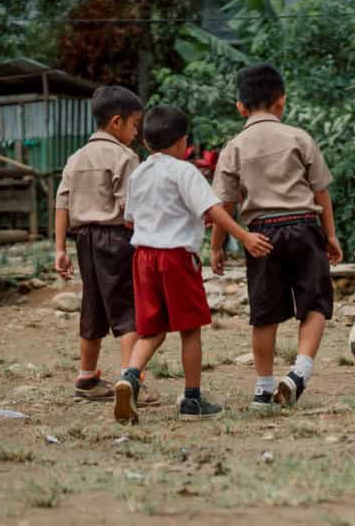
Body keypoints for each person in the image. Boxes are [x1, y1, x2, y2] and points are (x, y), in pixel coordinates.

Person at [113, 105, 273, 424]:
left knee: (151, 329)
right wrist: (244, 236)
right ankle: (192, 400)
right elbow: (213, 209)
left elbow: (130, 220)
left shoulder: (140, 173)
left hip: (143, 258)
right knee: (189, 331)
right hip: (175, 259)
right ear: (183, 142)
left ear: (146, 143)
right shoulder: (184, 171)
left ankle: (130, 377)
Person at [211, 63, 342, 410]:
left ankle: (263, 389)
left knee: (264, 313)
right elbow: (321, 192)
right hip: (303, 226)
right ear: (281, 102)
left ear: (240, 106)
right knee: (314, 305)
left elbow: (223, 205)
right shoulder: (299, 138)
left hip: (260, 236)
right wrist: (330, 236)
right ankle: (299, 372)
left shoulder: (234, 147)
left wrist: (216, 247)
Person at [54, 86, 157, 404]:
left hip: (84, 240)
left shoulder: (76, 157)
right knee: (128, 310)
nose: (137, 131)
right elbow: (130, 212)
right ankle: (130, 382)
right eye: (134, 124)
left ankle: (86, 378)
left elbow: (62, 203)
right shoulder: (125, 157)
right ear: (116, 122)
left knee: (94, 307)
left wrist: (60, 248)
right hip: (116, 240)